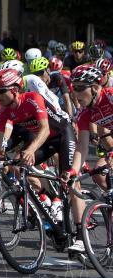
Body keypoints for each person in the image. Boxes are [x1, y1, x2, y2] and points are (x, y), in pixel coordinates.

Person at [0, 69, 76, 219]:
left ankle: (80, 233)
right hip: (46, 141)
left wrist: (31, 149)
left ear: (14, 90)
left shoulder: (32, 98)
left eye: (1, 91)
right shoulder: (3, 110)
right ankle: (47, 198)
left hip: (63, 134)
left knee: (70, 181)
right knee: (18, 168)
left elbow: (44, 129)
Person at [62, 65, 112, 252]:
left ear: (96, 87)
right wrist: (73, 171)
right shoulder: (85, 113)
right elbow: (82, 147)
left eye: (81, 87)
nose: (76, 92)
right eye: (74, 87)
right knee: (99, 175)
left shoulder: (110, 96)